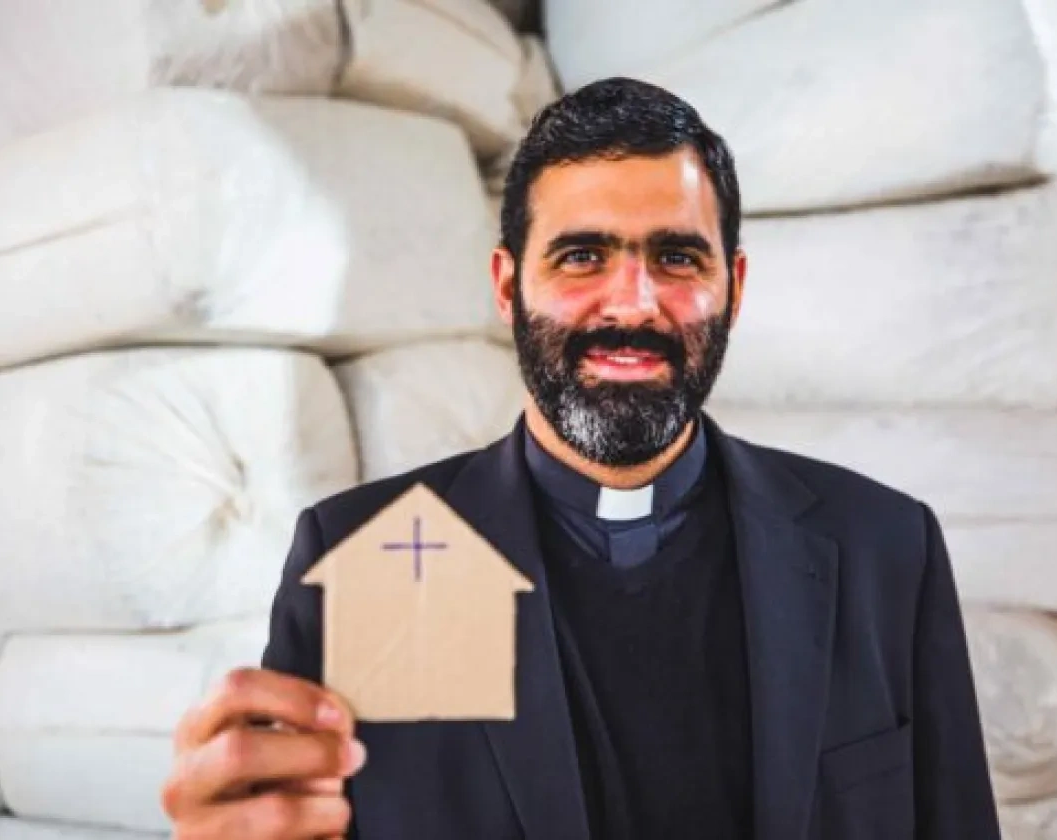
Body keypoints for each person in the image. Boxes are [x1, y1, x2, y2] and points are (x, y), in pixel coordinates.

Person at [160, 77, 1002, 840]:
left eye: (676, 257)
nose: (631, 303)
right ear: (506, 285)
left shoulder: (882, 548)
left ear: (734, 288)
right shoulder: (375, 562)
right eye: (581, 256)